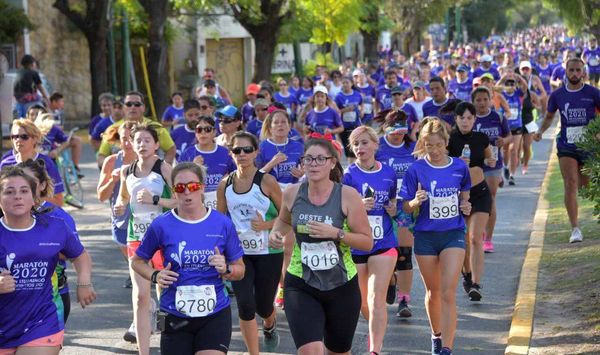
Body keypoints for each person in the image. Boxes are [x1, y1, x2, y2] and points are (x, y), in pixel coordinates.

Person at [268, 137, 372, 355]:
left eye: (319, 159)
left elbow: (366, 241)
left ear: (332, 162)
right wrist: (276, 234)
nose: (313, 164)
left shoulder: (347, 195)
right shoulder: (292, 193)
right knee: (310, 351)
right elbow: (284, 221)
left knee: (338, 351)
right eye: (308, 159)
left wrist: (336, 233)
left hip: (341, 284)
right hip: (301, 281)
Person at [131, 162, 245, 355]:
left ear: (201, 187)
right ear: (173, 191)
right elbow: (137, 261)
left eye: (192, 186)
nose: (186, 192)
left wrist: (225, 269)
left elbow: (240, 270)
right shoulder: (161, 225)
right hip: (173, 313)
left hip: (214, 313)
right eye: (179, 188)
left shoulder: (222, 223)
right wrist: (155, 275)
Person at [0, 166, 95, 354]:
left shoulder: (55, 227)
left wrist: (84, 283)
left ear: (34, 197)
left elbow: (80, 255)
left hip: (42, 321)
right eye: (9, 192)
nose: (17, 196)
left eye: (24, 191)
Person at [399, 118, 471, 355]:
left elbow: (465, 197)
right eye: (429, 145)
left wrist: (466, 205)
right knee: (433, 292)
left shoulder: (459, 167)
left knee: (449, 291)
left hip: (453, 233)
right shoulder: (415, 169)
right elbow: (405, 208)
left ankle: (447, 349)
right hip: (425, 236)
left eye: (438, 145)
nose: (434, 150)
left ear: (446, 142)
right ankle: (436, 335)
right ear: (423, 144)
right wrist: (414, 202)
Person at [216, 132, 283, 355]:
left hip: (268, 252)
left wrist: (266, 226)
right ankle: (254, 353)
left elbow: (287, 216)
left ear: (256, 152)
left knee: (263, 306)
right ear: (231, 154)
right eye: (237, 150)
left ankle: (270, 324)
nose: (242, 154)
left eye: (247, 150)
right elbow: (220, 220)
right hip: (239, 254)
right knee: (245, 305)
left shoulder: (267, 181)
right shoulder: (225, 184)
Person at [113, 124, 178, 354]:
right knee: (141, 297)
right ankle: (144, 351)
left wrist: (157, 199)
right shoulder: (126, 171)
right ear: (131, 143)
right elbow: (122, 198)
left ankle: (167, 341)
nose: (142, 145)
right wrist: (120, 207)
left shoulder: (165, 169)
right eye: (137, 140)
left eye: (147, 140)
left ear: (156, 144)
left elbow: (181, 201)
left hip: (162, 239)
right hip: (136, 239)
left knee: (164, 295)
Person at [343, 126, 398, 354]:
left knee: (377, 300)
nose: (360, 148)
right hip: (357, 245)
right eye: (355, 144)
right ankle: (375, 331)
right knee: (362, 302)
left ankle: (375, 349)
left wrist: (394, 209)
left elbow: (394, 206)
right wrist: (357, 208)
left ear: (376, 144)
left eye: (364, 143)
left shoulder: (389, 173)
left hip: (383, 243)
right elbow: (340, 211)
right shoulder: (348, 175)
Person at [533, 57, 600, 243]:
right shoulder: (557, 95)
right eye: (571, 70)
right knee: (570, 183)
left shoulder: (593, 93)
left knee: (585, 186)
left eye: (578, 70)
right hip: (566, 145)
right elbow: (548, 117)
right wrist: (540, 132)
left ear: (584, 72)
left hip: (589, 146)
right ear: (566, 72)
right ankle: (575, 228)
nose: (575, 74)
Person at [17, 158, 81, 323]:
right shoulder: (6, 214)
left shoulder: (58, 217)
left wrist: (85, 283)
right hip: (11, 301)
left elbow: (75, 254)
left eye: (30, 182)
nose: (23, 188)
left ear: (43, 185)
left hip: (52, 298)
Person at [448, 102, 496, 301]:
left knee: (476, 238)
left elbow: (490, 158)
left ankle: (476, 283)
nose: (466, 121)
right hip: (457, 194)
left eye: (469, 118)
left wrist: (491, 162)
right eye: (462, 118)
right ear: (456, 119)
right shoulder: (449, 140)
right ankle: (466, 274)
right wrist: (457, 162)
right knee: (464, 240)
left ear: (475, 119)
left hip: (480, 192)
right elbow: (440, 164)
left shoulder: (481, 138)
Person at [375, 110, 417, 317]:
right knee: (385, 252)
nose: (398, 135)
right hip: (380, 207)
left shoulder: (413, 147)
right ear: (385, 128)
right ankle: (391, 279)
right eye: (394, 130)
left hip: (406, 207)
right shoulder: (378, 147)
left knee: (404, 254)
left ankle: (404, 299)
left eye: (402, 130)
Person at [97, 122, 137, 284]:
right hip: (120, 218)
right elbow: (101, 196)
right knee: (131, 257)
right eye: (123, 139)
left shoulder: (149, 162)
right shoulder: (112, 161)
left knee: (141, 259)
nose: (127, 143)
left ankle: (138, 278)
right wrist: (113, 180)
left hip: (143, 217)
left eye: (130, 139)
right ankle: (134, 271)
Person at [471, 87, 511, 253]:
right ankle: (477, 233)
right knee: (474, 200)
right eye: (478, 100)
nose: (481, 103)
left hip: (493, 165)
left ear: (490, 99)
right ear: (473, 101)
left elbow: (508, 136)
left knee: (490, 198)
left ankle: (488, 239)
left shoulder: (498, 117)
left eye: (485, 99)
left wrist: (504, 141)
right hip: (475, 165)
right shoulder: (469, 119)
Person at [97, 91, 176, 167]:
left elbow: (171, 149)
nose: (133, 107)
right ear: (123, 108)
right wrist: (113, 168)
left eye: (137, 104)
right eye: (128, 104)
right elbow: (101, 157)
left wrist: (162, 170)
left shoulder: (157, 128)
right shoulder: (112, 129)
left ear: (144, 108)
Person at [0, 120, 65, 207]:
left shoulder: (46, 164)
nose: (18, 140)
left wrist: (29, 200)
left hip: (40, 215)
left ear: (35, 139)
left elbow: (59, 201)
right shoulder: (5, 163)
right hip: (12, 216)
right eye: (14, 137)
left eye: (24, 136)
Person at [179, 116, 236, 210]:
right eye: (199, 129)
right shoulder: (188, 154)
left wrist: (228, 179)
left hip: (223, 203)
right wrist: (193, 167)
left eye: (207, 129)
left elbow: (236, 175)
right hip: (197, 205)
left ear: (214, 132)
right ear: (195, 133)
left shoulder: (225, 153)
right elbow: (179, 181)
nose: (203, 133)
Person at [335, 76, 363, 161]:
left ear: (351, 83)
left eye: (347, 82)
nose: (345, 84)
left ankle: (356, 164)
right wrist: (345, 110)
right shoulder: (338, 96)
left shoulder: (357, 94)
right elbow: (336, 112)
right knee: (348, 146)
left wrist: (362, 111)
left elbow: (361, 103)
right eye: (343, 83)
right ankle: (351, 165)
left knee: (356, 144)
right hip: (344, 126)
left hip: (356, 124)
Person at [12, 54, 49, 119]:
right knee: (43, 108)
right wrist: (46, 97)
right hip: (28, 100)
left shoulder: (19, 72)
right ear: (31, 64)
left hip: (18, 101)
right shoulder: (33, 73)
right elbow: (40, 87)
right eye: (34, 62)